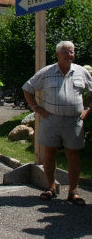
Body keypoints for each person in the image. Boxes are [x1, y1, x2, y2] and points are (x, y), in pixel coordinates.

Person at [22, 41, 92, 206]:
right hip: (51, 119)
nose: (70, 55)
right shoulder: (47, 72)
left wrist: (88, 108)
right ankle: (51, 187)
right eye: (66, 52)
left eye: (72, 52)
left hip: (74, 121)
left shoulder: (81, 72)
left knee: (73, 155)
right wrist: (36, 107)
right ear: (57, 55)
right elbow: (27, 88)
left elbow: (91, 91)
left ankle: (73, 191)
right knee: (50, 153)